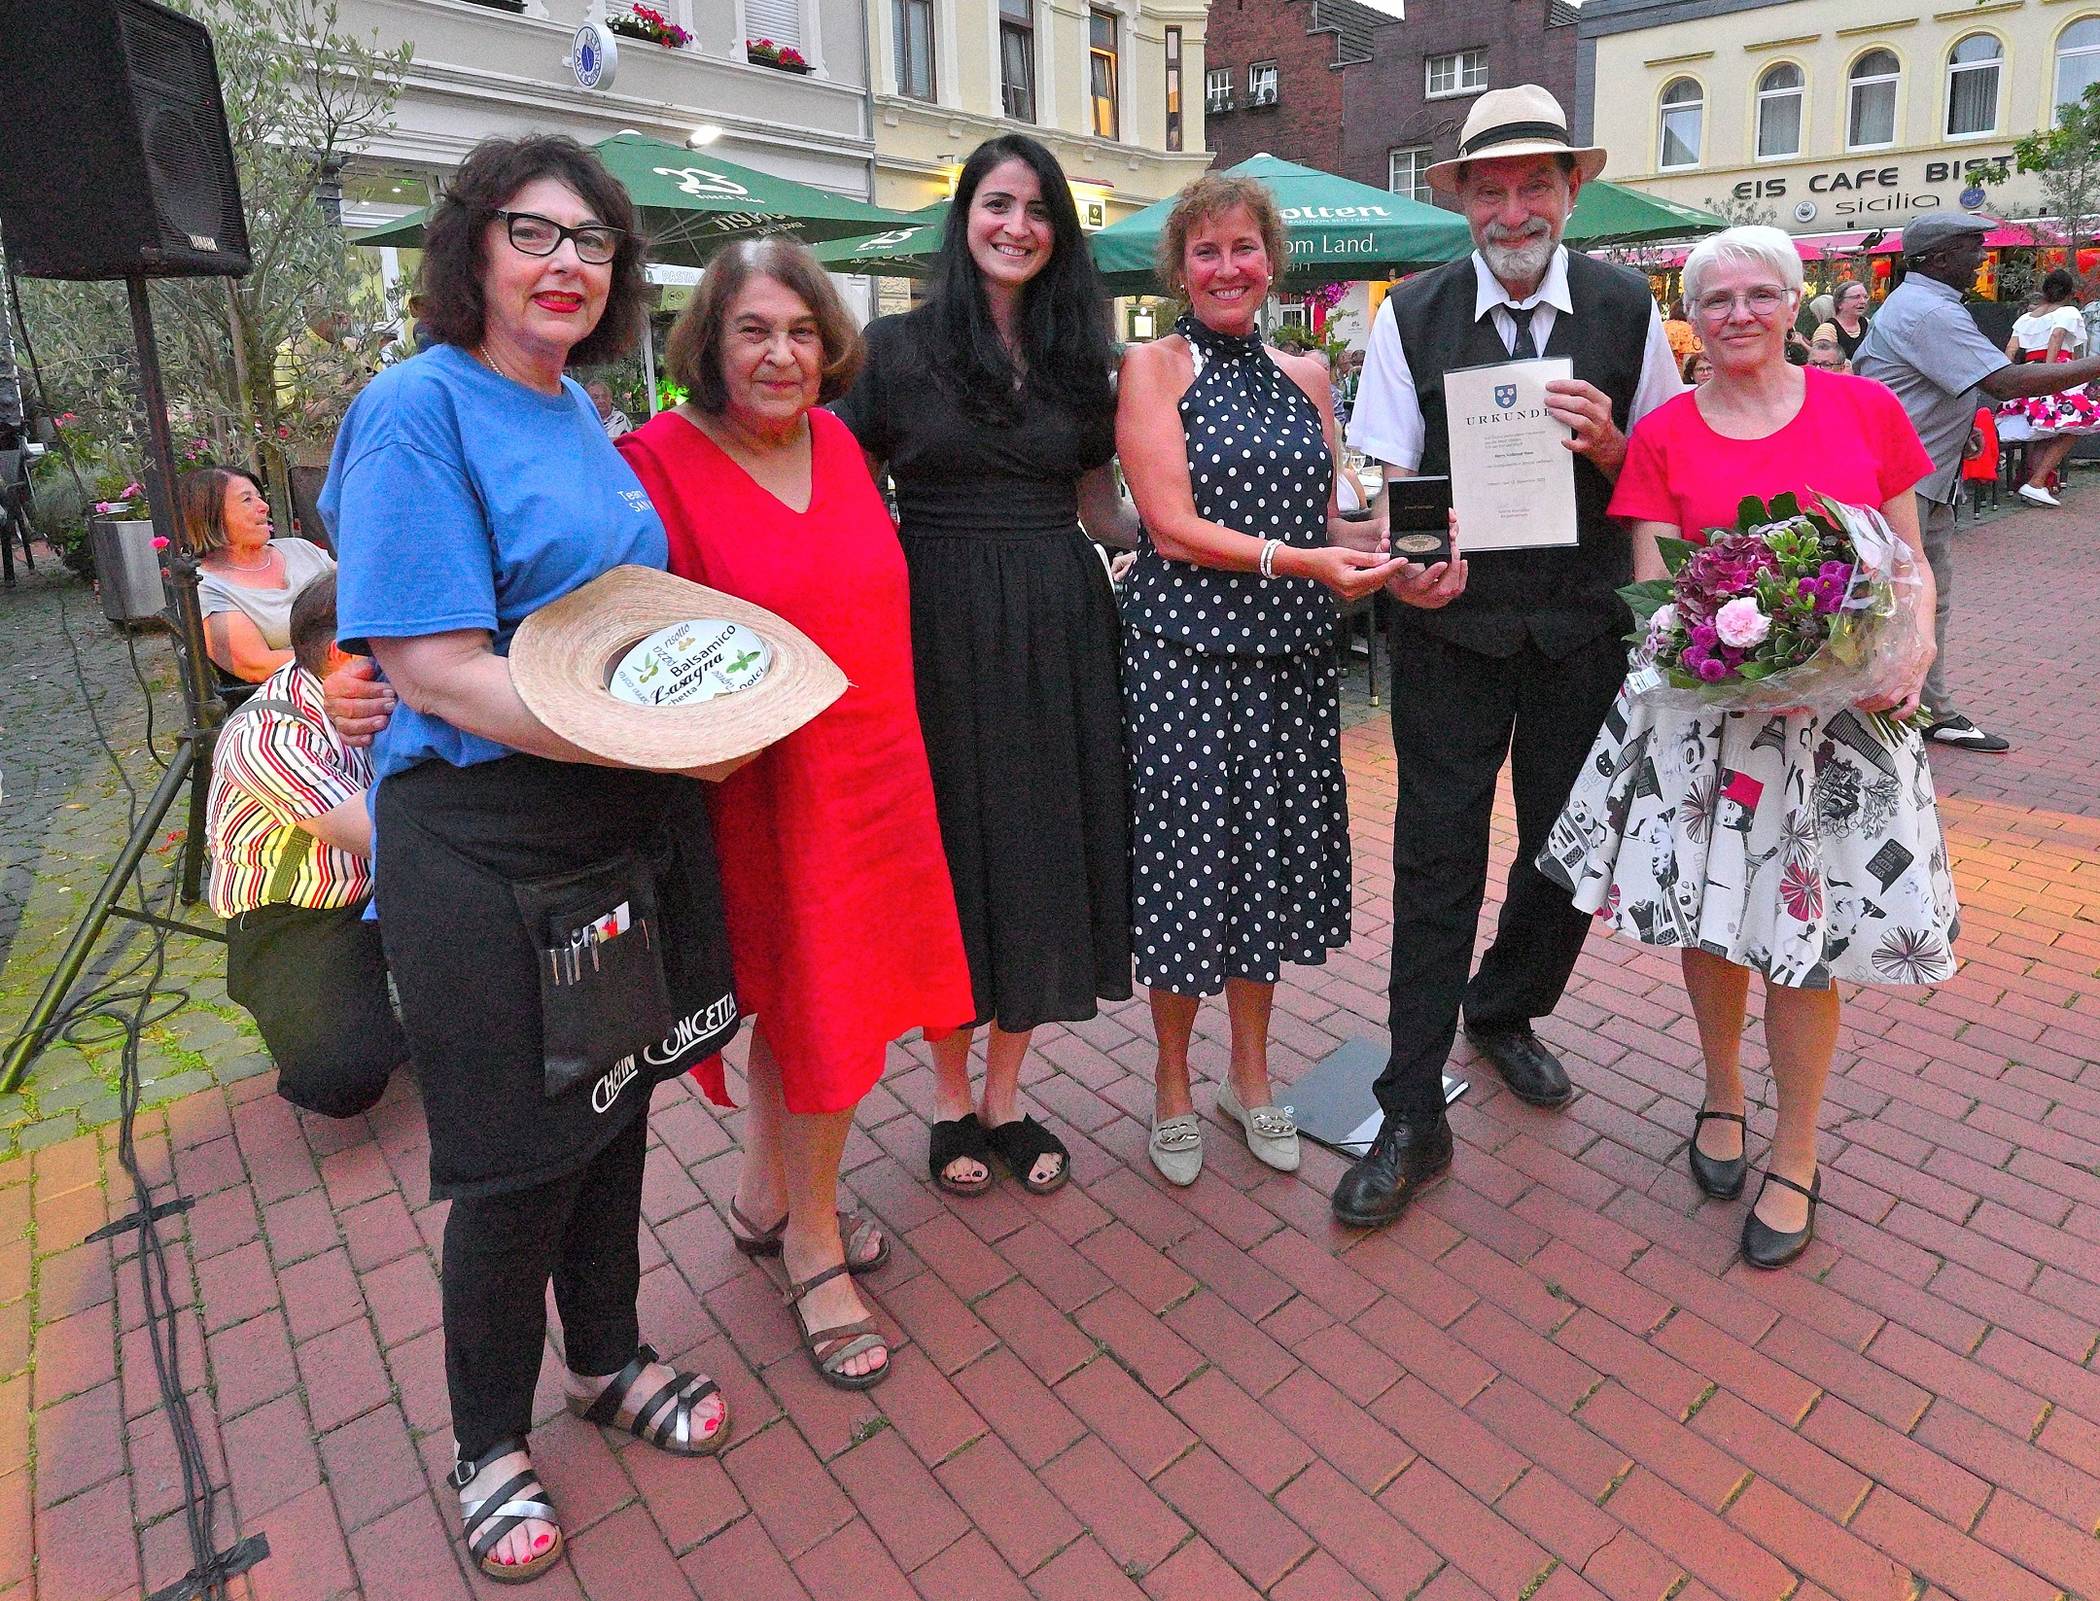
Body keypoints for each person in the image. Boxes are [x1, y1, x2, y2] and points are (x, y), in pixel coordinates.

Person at [324, 135, 740, 1584]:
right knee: (510, 1157)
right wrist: (644, 737)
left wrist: (685, 703)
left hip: (601, 819)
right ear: (472, 251)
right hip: (479, 835)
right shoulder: (413, 409)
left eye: (594, 242)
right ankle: (485, 1438)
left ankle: (608, 1359)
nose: (567, 262)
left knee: (614, 1108)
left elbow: (608, 623)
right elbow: (433, 668)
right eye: (533, 233)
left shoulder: (579, 410)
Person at [1540, 226, 1959, 1267]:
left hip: (1842, 730)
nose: (1738, 313)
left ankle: (1798, 1149)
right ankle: (1722, 1092)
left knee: (1806, 944)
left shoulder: (1865, 406)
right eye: (1715, 297)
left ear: (1792, 300)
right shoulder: (1666, 433)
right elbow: (1657, 606)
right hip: (1711, 726)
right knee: (1716, 920)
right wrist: (1740, 672)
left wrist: (1913, 651)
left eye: (1758, 293)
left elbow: (1910, 562)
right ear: (1695, 313)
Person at [619, 238, 976, 1384]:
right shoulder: (657, 459)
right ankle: (814, 1243)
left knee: (830, 995)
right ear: (708, 343)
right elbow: (632, 636)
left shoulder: (835, 438)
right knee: (806, 999)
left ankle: (770, 1197)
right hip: (756, 789)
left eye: (802, 332)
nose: (782, 354)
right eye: (754, 331)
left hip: (873, 766)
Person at [1336, 84, 1681, 1228]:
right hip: (1450, 629)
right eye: (1493, 187)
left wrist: (1618, 443)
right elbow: (1387, 479)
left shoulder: (1630, 309)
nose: (1516, 207)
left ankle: (1506, 1006)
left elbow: (1664, 488)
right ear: (1466, 202)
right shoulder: (1414, 313)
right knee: (1436, 857)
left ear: (1571, 192)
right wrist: (1409, 563)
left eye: (1538, 183)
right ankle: (1410, 1112)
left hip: (1584, 628)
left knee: (1564, 854)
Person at [833, 134, 1138, 1199]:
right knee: (951, 854)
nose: (1018, 225)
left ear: (1059, 234)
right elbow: (844, 488)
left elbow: (1102, 509)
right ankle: (948, 1097)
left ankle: (1006, 1095)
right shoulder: (894, 349)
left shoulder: (1080, 363)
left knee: (1039, 849)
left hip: (1059, 625)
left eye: (1038, 210)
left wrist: (1206, 541)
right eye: (997, 204)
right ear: (964, 219)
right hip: (935, 626)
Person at [1116, 174, 1416, 1186]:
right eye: (1206, 252)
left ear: (1271, 260)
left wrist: (1398, 552)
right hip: (1184, 663)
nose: (1228, 267)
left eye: (1244, 247)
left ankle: (1250, 1074)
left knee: (1266, 870)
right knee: (1188, 870)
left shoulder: (1311, 376)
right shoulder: (1152, 367)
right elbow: (1168, 526)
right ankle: (1169, 1078)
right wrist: (1304, 563)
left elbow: (1341, 519)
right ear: (1182, 268)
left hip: (1287, 664)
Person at [1854, 211, 2100, 754]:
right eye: (1972, 248)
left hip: (1921, 474)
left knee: (1919, 597)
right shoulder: (1927, 311)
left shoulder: (1920, 304)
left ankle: (1921, 707)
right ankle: (1898, 710)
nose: (1983, 258)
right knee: (1904, 599)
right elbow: (2005, 381)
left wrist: (1960, 427)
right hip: (1902, 482)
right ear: (1939, 258)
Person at [205, 572, 406, 1118]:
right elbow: (377, 834)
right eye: (398, 636)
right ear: (345, 653)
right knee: (343, 1079)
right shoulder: (270, 733)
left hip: (377, 887)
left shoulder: (378, 688)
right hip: (298, 913)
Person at [180, 466, 335, 683]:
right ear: (210, 515)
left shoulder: (299, 548)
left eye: (260, 498)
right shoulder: (204, 586)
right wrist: (349, 657)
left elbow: (362, 588)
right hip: (304, 693)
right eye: (247, 500)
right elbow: (257, 665)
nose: (264, 507)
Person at [1994, 267, 2100, 507]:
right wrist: (2050, 372)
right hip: (2057, 372)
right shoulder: (2068, 312)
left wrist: (2007, 376)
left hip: (2026, 371)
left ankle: (2036, 482)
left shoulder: (2025, 318)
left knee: (2046, 430)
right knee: (2080, 422)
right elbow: (2057, 337)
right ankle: (2037, 481)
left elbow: (2010, 351)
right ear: (2070, 292)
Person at [1822, 279, 1872, 362]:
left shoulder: (1867, 323)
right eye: (1856, 297)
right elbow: (1823, 362)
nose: (1863, 301)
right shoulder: (1828, 329)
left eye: (1865, 297)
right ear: (1840, 304)